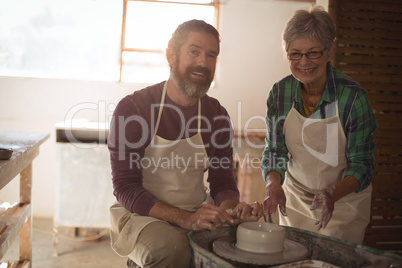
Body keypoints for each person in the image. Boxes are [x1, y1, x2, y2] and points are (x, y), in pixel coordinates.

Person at [108, 19, 263, 268]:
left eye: (211, 55)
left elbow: (222, 181)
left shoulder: (216, 115)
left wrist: (231, 210)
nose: (203, 62)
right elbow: (125, 187)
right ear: (171, 56)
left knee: (250, 238)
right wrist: (185, 219)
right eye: (194, 52)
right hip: (141, 216)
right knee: (173, 250)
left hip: (197, 210)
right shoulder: (134, 109)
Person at [261, 6, 377, 244]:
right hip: (294, 202)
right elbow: (275, 151)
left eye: (313, 53)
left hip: (343, 204)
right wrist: (273, 184)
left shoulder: (352, 98)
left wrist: (332, 193)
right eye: (294, 54)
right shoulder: (280, 93)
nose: (303, 62)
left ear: (329, 50)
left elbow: (362, 165)